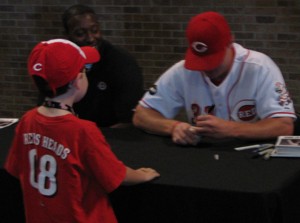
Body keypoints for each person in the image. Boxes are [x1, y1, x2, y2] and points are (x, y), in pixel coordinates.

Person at [4, 39, 160, 223]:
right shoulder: (82, 131)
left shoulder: (26, 121)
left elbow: (15, 169)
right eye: (84, 71)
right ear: (78, 81)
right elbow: (117, 175)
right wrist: (142, 175)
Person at [133, 11, 296, 146]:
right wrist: (173, 127)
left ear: (229, 42)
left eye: (213, 60)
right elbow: (141, 115)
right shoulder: (183, 70)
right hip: (203, 155)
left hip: (252, 154)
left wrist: (231, 129)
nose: (206, 68)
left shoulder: (260, 67)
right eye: (200, 61)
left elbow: (283, 125)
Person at [61, 4, 144, 128]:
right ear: (68, 36)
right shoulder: (61, 63)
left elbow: (129, 120)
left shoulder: (121, 62)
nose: (90, 38)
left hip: (113, 137)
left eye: (94, 30)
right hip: (73, 134)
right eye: (80, 33)